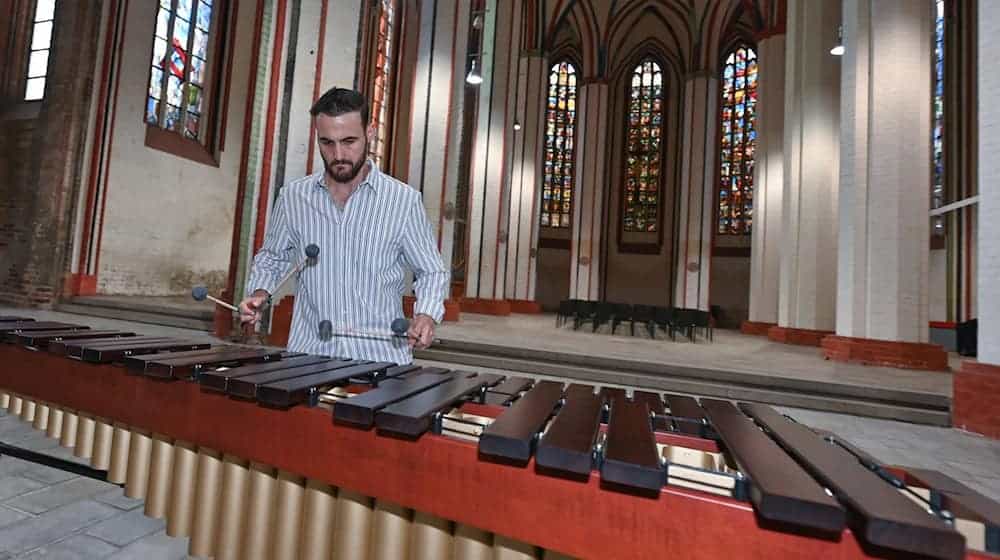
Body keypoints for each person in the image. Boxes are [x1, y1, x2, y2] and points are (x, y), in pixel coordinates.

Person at [239, 87, 448, 364]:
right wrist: (259, 293)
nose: (338, 154)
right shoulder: (293, 197)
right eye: (327, 143)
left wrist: (426, 315)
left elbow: (431, 270)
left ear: (370, 133)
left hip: (381, 359)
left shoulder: (403, 201)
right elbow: (273, 257)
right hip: (309, 354)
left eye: (349, 141)